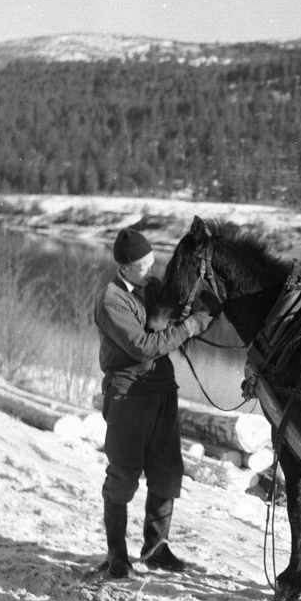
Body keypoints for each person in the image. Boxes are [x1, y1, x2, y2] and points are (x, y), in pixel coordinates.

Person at [94, 227, 213, 577]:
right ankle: (118, 556)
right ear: (126, 266)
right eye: (144, 265)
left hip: (162, 389)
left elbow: (173, 315)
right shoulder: (112, 300)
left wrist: (204, 305)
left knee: (167, 472)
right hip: (128, 393)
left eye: (152, 261)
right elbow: (144, 347)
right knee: (124, 475)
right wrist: (191, 326)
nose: (151, 268)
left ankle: (156, 547)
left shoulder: (153, 286)